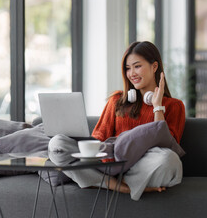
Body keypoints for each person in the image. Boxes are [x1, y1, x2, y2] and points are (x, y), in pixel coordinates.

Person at [48, 41, 185, 200]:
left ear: (154, 67)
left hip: (144, 167)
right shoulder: (117, 101)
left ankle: (99, 181)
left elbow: (168, 146)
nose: (131, 73)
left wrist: (157, 107)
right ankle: (118, 186)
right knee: (56, 145)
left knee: (169, 160)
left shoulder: (174, 106)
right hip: (111, 165)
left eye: (137, 66)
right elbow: (97, 141)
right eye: (128, 68)